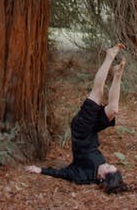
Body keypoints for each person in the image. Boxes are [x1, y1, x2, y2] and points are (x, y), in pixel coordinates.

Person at [26, 44, 129, 193]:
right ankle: (117, 75)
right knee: (114, 109)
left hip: (81, 129)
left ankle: (109, 56)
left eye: (107, 168)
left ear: (101, 177)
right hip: (92, 131)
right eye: (109, 165)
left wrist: (40, 170)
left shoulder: (83, 175)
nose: (106, 164)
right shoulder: (102, 169)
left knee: (98, 92)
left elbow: (64, 174)